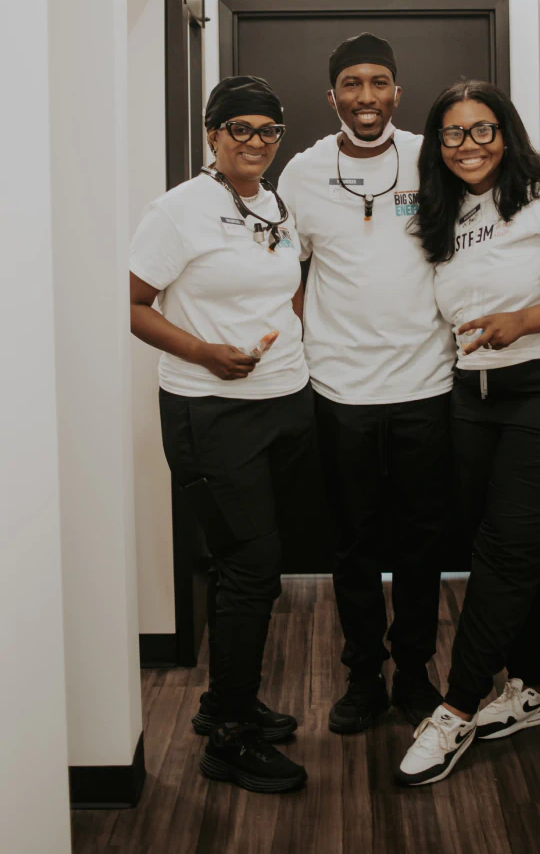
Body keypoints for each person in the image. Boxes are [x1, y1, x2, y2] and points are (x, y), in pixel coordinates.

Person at [397, 79, 540, 786]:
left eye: (483, 130)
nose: (468, 145)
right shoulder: (449, 210)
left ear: (507, 133)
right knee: (502, 541)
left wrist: (523, 321)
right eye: (453, 134)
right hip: (480, 394)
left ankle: (456, 707)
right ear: (437, 146)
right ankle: (527, 688)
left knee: (503, 551)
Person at [129, 76, 315, 793]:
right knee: (249, 564)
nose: (257, 143)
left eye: (269, 131)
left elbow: (285, 285)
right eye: (240, 129)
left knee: (261, 560)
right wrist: (205, 351)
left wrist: (293, 340)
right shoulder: (178, 211)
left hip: (282, 402)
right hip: (211, 408)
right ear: (211, 135)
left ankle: (222, 703)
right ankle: (229, 738)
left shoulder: (274, 203)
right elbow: (134, 303)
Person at [278, 33, 455, 733]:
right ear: (332, 97)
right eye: (351, 84)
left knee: (420, 541)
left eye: (379, 82)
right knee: (352, 542)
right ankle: (362, 678)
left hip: (426, 382)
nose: (366, 96)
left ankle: (413, 670)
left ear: (397, 92)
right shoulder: (302, 172)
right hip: (339, 388)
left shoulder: (430, 155)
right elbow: (286, 271)